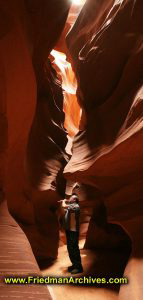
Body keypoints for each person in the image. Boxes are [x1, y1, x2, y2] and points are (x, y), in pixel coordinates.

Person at [62, 194, 83, 274]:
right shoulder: (71, 207)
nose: (69, 198)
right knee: (70, 249)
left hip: (73, 231)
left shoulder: (76, 206)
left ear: (74, 200)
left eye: (71, 198)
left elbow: (64, 206)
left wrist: (64, 201)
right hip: (69, 230)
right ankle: (74, 265)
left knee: (74, 249)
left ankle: (79, 268)